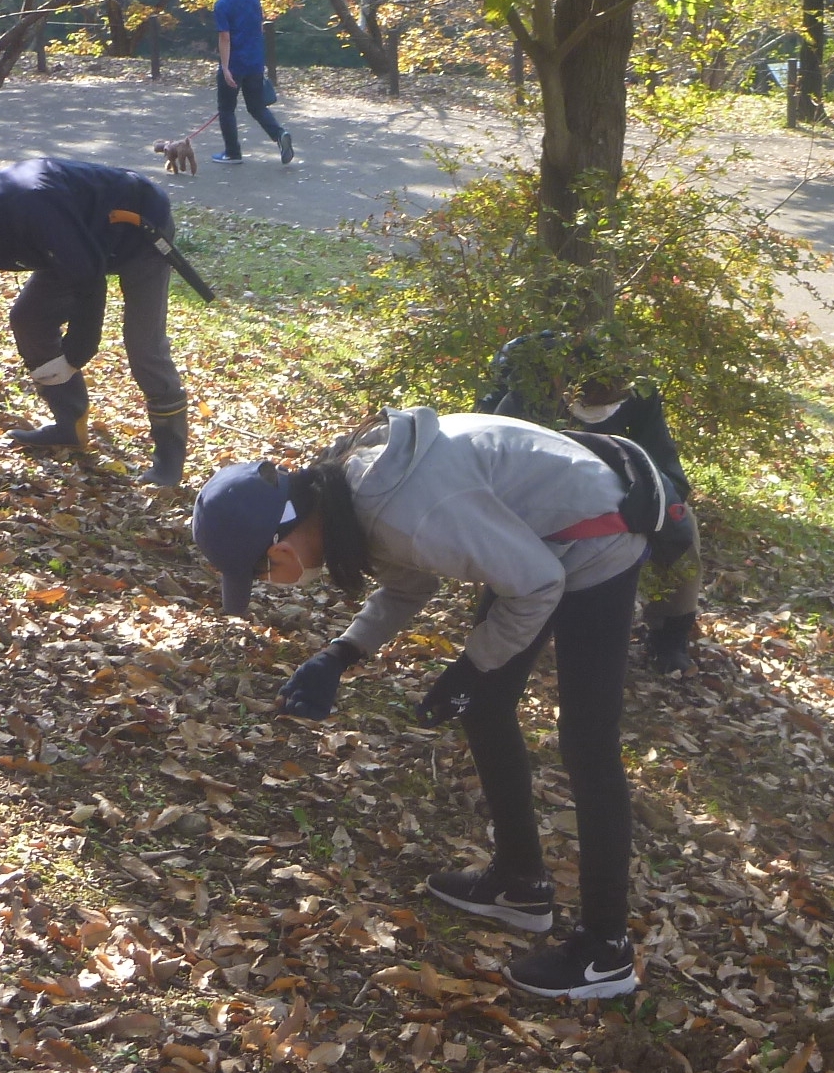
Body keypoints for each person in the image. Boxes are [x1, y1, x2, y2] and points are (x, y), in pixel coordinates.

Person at [191, 407, 654, 1001]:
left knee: (587, 742)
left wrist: (470, 668)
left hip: (598, 534)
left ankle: (606, 953)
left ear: (277, 546)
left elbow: (537, 584)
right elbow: (410, 580)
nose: (269, 583)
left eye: (259, 572)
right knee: (485, 707)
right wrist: (342, 654)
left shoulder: (404, 509)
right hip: (538, 538)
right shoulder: (347, 497)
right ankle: (520, 883)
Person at [0, 157, 191, 487]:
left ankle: (169, 459)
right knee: (29, 318)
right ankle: (69, 424)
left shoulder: (33, 208)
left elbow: (89, 281)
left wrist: (75, 356)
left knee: (144, 346)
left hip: (139, 226)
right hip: (75, 242)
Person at [481, 330, 701, 674]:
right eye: (591, 392)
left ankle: (671, 632)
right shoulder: (524, 388)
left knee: (684, 524)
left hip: (616, 498)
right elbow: (490, 462)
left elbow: (666, 471)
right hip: (532, 498)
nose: (601, 400)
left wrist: (648, 506)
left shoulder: (639, 395)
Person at [208, 0, 295, 166]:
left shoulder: (222, 4)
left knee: (226, 108)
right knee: (256, 107)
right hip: (254, 61)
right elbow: (259, 27)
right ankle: (279, 133)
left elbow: (225, 37)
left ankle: (232, 153)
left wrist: (226, 67)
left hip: (235, 63)